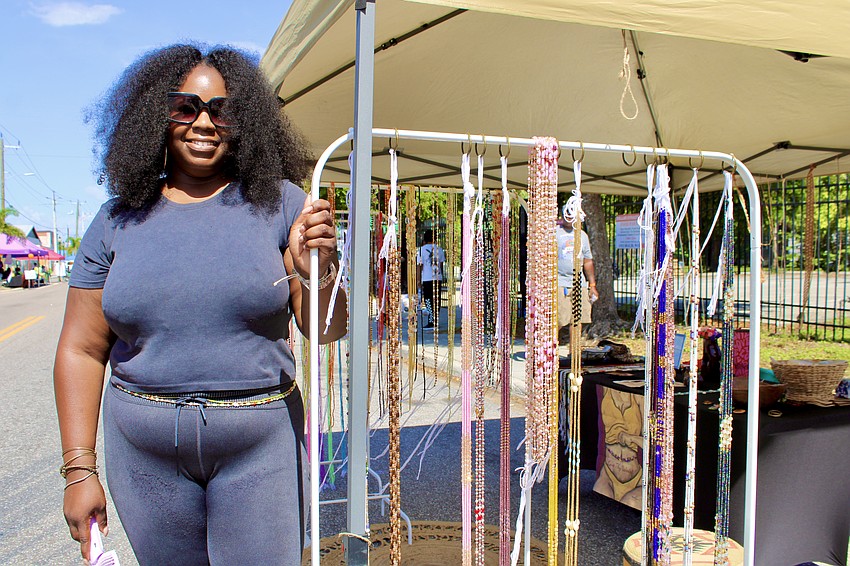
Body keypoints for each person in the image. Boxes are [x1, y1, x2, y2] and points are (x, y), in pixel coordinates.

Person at [53, 44, 348, 565]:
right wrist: (80, 470)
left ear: (246, 121)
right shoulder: (116, 220)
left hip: (259, 445)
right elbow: (80, 348)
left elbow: (327, 329)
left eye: (222, 110)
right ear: (156, 116)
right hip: (143, 456)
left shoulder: (281, 204)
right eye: (185, 107)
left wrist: (316, 271)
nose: (204, 122)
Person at [556, 213, 597, 344]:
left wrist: (592, 285)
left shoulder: (582, 235)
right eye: (566, 215)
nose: (569, 218)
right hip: (559, 282)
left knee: (577, 320)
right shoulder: (554, 233)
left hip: (579, 283)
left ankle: (574, 353)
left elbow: (587, 261)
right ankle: (548, 351)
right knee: (559, 319)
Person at [415, 228, 446, 329]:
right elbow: (441, 265)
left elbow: (419, 266)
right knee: (437, 299)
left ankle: (431, 320)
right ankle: (435, 319)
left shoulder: (421, 250)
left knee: (428, 299)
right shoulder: (440, 249)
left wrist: (418, 280)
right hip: (437, 277)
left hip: (427, 278)